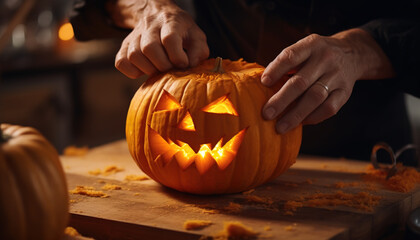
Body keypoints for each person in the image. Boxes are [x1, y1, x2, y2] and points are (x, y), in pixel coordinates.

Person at [70, 0, 420, 165]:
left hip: (365, 159)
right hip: (202, 74)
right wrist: (147, 7)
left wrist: (361, 49)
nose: (190, 127)